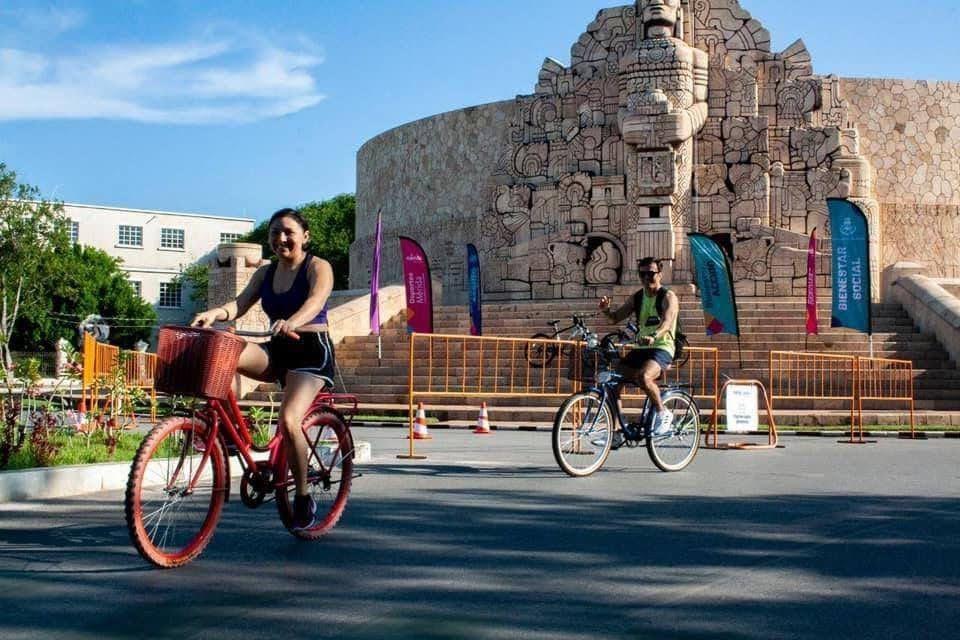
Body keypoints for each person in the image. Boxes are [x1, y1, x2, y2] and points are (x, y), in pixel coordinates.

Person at [192, 208, 335, 529]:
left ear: (305, 237)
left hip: (311, 353)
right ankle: (226, 432)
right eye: (274, 233)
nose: (281, 239)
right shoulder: (265, 273)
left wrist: (293, 321)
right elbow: (240, 304)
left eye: (288, 232)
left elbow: (316, 301)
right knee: (225, 351)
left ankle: (301, 496)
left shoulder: (318, 267)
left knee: (288, 419)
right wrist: (215, 313)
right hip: (277, 348)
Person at [598, 256, 679, 439]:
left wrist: (654, 336)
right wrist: (605, 310)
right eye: (642, 274)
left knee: (644, 376)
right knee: (612, 382)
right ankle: (619, 428)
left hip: (662, 347)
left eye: (651, 273)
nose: (646, 278)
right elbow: (614, 318)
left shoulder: (668, 296)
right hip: (641, 348)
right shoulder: (637, 297)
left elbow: (667, 323)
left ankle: (662, 412)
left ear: (660, 273)